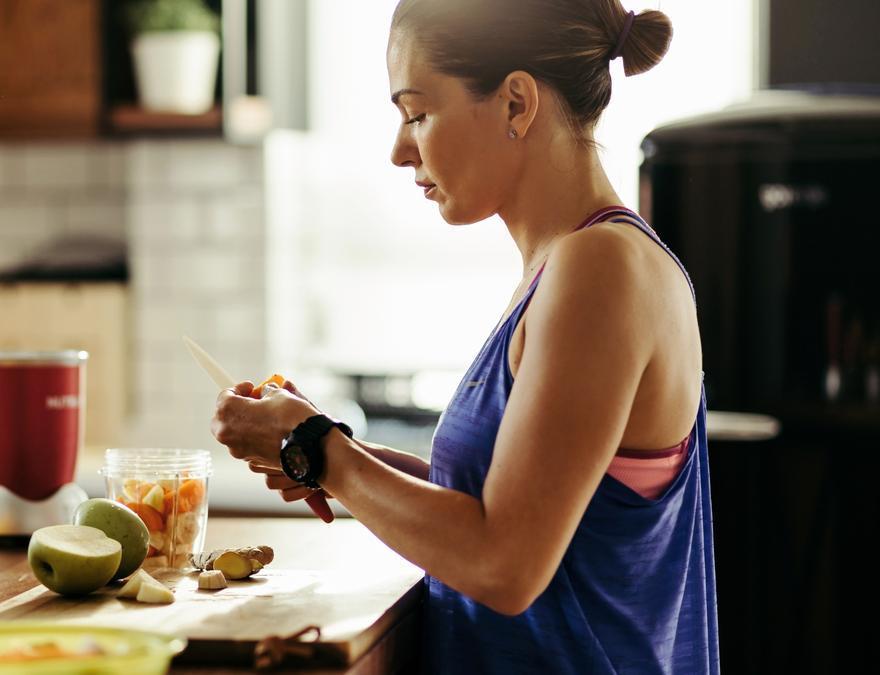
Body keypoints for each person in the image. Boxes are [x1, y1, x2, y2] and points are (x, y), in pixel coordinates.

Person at [210, 0, 719, 672]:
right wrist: (327, 448)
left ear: (515, 103)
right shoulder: (568, 267)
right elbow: (500, 501)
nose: (399, 149)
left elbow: (504, 562)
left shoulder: (601, 270)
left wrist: (322, 451)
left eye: (417, 113)